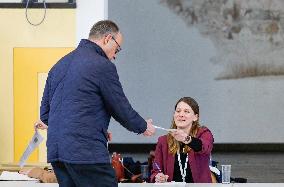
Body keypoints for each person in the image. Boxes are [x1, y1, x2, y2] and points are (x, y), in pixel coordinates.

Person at [35, 20, 156, 187]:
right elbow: (119, 106)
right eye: (117, 49)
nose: (115, 55)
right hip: (86, 153)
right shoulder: (102, 66)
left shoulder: (59, 65)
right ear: (107, 39)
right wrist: (143, 126)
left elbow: (45, 115)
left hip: (57, 153)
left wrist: (93, 127)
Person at [150, 97, 214, 183]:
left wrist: (186, 139)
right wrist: (158, 177)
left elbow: (205, 147)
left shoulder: (204, 133)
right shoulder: (163, 141)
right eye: (178, 111)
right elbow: (156, 170)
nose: (181, 114)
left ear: (195, 117)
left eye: (186, 111)